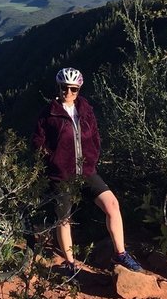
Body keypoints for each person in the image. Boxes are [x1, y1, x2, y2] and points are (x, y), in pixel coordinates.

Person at [32, 67, 144, 279]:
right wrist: (52, 161)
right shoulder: (48, 114)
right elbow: (37, 142)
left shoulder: (85, 110)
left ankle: (120, 254)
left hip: (86, 171)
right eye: (64, 88)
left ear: (79, 89)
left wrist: (92, 158)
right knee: (63, 218)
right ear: (58, 87)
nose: (68, 92)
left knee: (112, 205)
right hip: (62, 174)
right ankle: (70, 263)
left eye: (73, 89)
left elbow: (95, 137)